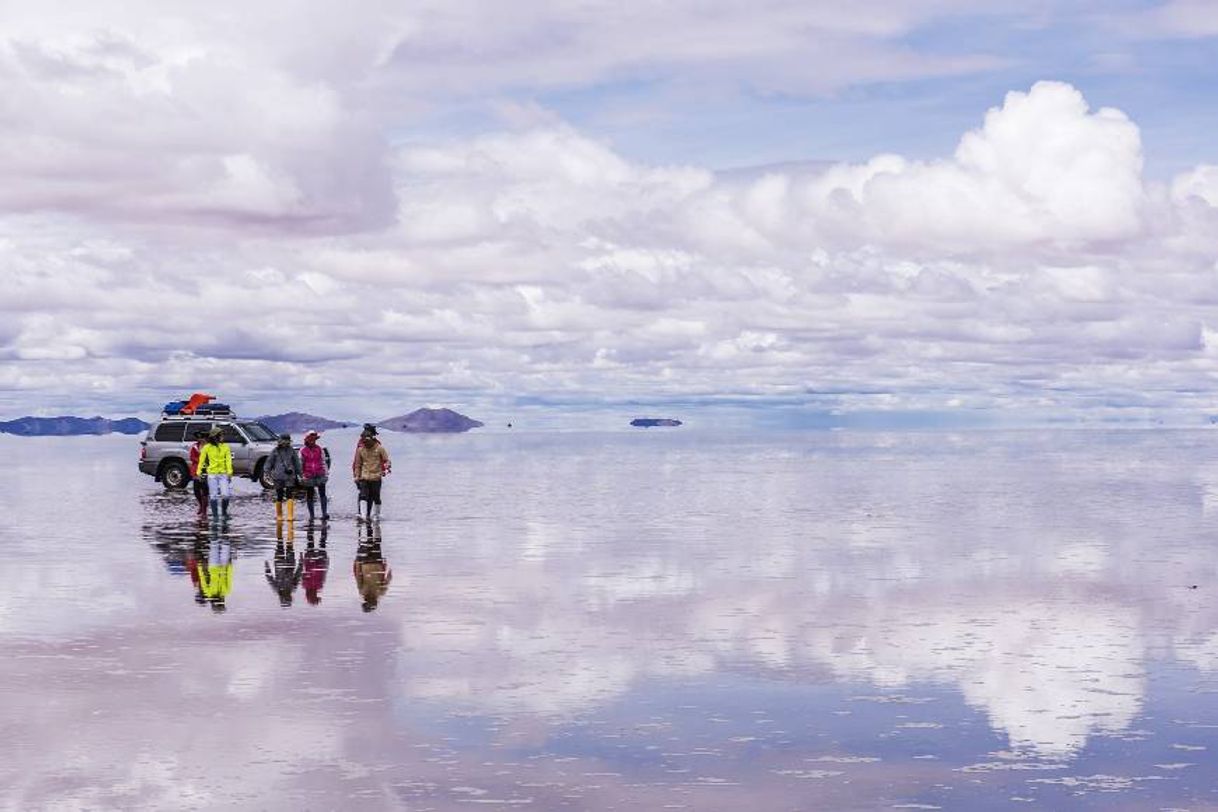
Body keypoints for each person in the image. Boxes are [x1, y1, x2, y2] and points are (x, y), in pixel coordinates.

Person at [352, 427, 391, 523]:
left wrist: (386, 468)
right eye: (363, 442)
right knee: (363, 495)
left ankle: (376, 515)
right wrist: (357, 476)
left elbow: (387, 461)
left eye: (366, 442)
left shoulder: (380, 448)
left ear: (371, 439)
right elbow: (357, 464)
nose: (365, 444)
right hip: (364, 476)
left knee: (376, 497)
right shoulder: (360, 449)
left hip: (376, 477)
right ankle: (364, 516)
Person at [197, 426, 233, 522]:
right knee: (213, 496)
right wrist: (199, 472)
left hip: (223, 474)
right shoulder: (207, 448)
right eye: (221, 435)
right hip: (212, 474)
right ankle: (215, 516)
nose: (223, 436)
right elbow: (201, 460)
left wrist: (229, 472)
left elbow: (228, 460)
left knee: (226, 495)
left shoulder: (225, 447)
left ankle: (224, 512)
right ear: (215, 436)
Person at [353, 522, 391, 612]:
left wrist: (358, 562)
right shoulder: (379, 592)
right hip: (375, 562)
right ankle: (374, 525)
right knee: (376, 542)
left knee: (367, 541)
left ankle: (369, 524)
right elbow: (387, 581)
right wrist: (389, 574)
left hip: (366, 563)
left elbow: (358, 576)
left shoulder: (363, 591)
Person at [264, 521, 302, 607]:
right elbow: (298, 575)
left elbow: (269, 576)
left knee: (281, 543)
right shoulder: (291, 588)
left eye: (288, 598)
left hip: (280, 563)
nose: (289, 597)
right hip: (288, 563)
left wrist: (267, 567)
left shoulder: (278, 588)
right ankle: (285, 526)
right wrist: (301, 562)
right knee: (287, 544)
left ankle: (281, 526)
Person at [266, 433, 302, 522]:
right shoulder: (275, 451)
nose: (286, 443)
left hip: (290, 476)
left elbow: (297, 463)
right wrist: (267, 472)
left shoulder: (292, 450)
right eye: (284, 441)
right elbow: (269, 462)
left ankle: (290, 515)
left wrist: (300, 473)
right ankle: (279, 515)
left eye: (287, 441)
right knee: (279, 495)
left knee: (290, 494)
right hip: (278, 476)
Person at [299, 430, 331, 522]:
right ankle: (312, 515)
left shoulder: (319, 449)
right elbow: (300, 463)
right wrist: (301, 476)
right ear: (307, 440)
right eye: (311, 439)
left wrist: (326, 473)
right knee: (309, 495)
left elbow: (323, 461)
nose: (313, 441)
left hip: (320, 474)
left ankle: (324, 513)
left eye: (314, 439)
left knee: (322, 494)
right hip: (308, 475)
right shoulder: (302, 450)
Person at [302, 524, 329, 606]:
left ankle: (321, 530)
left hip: (317, 563)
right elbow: (303, 573)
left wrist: (326, 562)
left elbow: (323, 575)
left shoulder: (318, 586)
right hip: (313, 562)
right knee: (312, 544)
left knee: (320, 544)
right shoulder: (306, 585)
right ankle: (312, 530)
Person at [188, 430, 210, 521]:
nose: (201, 439)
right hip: (196, 470)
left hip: (206, 470)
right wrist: (200, 460)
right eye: (199, 438)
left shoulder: (209, 447)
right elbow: (192, 457)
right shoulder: (194, 447)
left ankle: (204, 510)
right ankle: (201, 505)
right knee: (196, 490)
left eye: (202, 437)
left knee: (205, 491)